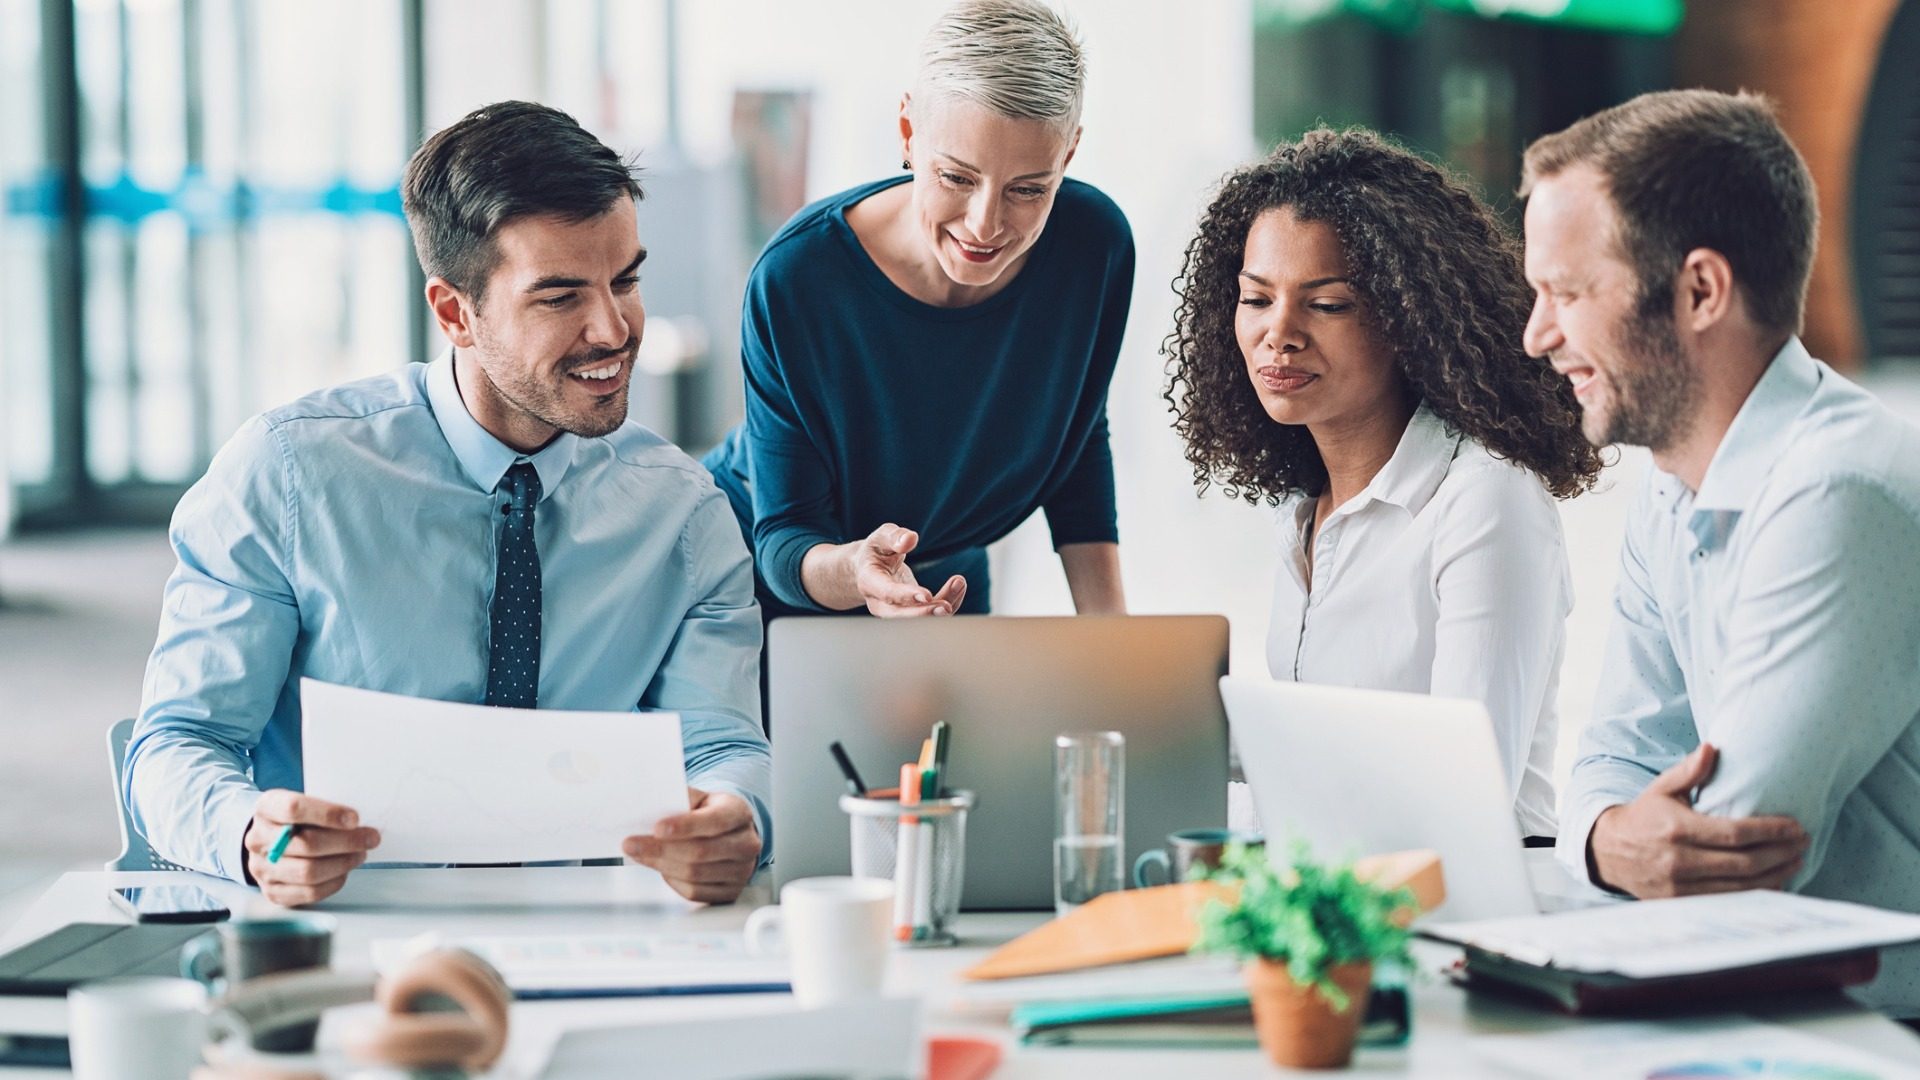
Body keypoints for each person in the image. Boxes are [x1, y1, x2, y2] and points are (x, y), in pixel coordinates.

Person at [124, 101, 771, 907]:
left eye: (626, 279)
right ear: (455, 312)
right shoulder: (288, 475)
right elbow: (180, 743)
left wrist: (740, 813)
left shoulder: (683, 513)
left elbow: (722, 744)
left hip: (595, 926)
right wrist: (252, 837)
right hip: (344, 929)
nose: (613, 328)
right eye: (560, 296)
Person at [1526, 89, 1920, 1013]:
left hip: (1878, 1034)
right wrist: (1601, 841)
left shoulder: (1837, 491)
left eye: (1568, 293)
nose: (1537, 335)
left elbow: (1731, 857)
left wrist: (1620, 842)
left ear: (1700, 290)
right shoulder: (1671, 488)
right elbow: (1612, 765)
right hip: (1769, 1008)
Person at [1164, 128, 1601, 839]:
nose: (1280, 333)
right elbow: (1323, 748)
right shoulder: (1303, 508)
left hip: (1475, 909)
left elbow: (1466, 790)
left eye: (1327, 304)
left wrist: (1227, 803)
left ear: (1409, 321)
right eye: (1255, 299)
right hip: (1346, 893)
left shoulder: (1485, 500)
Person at [702, 0, 1131, 622]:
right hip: (776, 582)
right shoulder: (799, 279)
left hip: (943, 577)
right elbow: (784, 533)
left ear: (1067, 156)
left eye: (1028, 189)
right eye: (957, 177)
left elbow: (1073, 437)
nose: (985, 225)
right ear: (908, 133)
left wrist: (1117, 646)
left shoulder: (1094, 248)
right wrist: (860, 572)